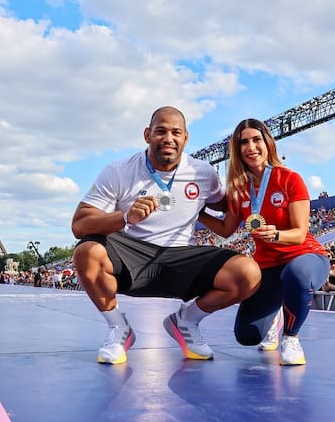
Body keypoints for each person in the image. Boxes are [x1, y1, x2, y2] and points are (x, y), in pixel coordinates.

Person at [72, 107, 261, 364]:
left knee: (247, 273)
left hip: (181, 258)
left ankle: (186, 321)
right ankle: (119, 328)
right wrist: (125, 216)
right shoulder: (119, 170)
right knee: (86, 252)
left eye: (176, 132)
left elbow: (231, 205)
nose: (168, 138)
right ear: (148, 135)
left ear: (186, 138)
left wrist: (260, 177)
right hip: (132, 253)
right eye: (161, 131)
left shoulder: (203, 173)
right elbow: (79, 225)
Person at [198, 118, 328, 365]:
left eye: (256, 140)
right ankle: (276, 314)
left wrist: (276, 234)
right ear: (237, 150)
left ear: (268, 143)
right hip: (268, 266)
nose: (251, 147)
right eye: (244, 142)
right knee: (247, 336)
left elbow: (300, 233)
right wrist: (198, 213)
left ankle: (291, 338)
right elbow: (226, 230)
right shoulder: (239, 189)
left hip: (305, 257)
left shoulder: (289, 179)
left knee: (297, 274)